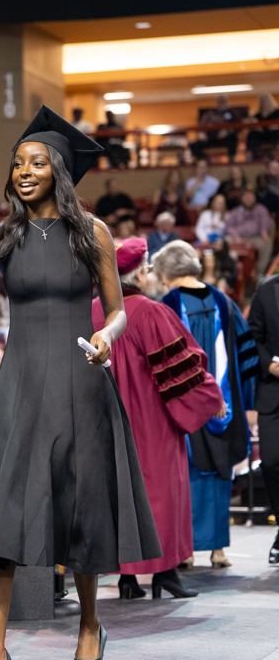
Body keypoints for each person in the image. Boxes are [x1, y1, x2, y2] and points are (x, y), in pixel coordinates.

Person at [0, 105, 160, 660]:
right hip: (22, 387)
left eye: (35, 162)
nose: (23, 171)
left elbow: (117, 310)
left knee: (78, 509)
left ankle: (88, 624)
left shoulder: (94, 234)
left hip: (82, 383)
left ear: (58, 168)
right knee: (4, 514)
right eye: (17, 164)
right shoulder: (0, 235)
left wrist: (107, 338)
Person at [93, 239, 224, 599]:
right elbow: (184, 367)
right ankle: (166, 573)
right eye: (147, 268)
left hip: (103, 423)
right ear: (137, 272)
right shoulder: (150, 312)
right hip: (152, 423)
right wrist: (209, 397)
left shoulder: (89, 312)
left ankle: (127, 580)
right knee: (161, 493)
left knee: (117, 496)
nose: (150, 274)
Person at [154, 240, 258, 569]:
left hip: (182, 402)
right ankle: (217, 550)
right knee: (219, 469)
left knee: (188, 473)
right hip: (224, 402)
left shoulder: (166, 304)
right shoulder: (224, 303)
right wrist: (246, 402)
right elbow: (247, 356)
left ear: (166, 272)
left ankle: (186, 550)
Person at [248, 277, 279, 564]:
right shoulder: (266, 290)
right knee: (269, 462)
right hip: (273, 392)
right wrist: (269, 363)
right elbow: (252, 336)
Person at [225, 188, 273, 279]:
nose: (248, 199)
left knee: (267, 243)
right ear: (241, 199)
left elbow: (265, 221)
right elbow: (229, 226)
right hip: (239, 238)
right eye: (246, 197)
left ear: (254, 198)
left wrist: (264, 232)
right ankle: (230, 271)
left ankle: (259, 272)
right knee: (225, 241)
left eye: (251, 197)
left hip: (256, 238)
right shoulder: (235, 211)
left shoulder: (261, 209)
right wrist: (236, 237)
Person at [190, 95, 239, 162]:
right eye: (220, 101)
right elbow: (201, 124)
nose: (221, 103)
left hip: (224, 138)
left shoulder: (232, 113)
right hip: (209, 137)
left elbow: (238, 125)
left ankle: (231, 158)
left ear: (226, 101)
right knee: (193, 145)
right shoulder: (210, 113)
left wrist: (228, 131)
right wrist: (200, 132)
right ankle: (206, 160)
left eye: (223, 101)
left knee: (233, 137)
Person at [246, 94, 279, 161]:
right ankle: (251, 158)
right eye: (262, 101)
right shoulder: (257, 115)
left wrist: (276, 126)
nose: (264, 103)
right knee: (252, 134)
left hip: (274, 134)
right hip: (261, 135)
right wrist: (255, 126)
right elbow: (249, 122)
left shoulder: (276, 112)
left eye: (266, 101)